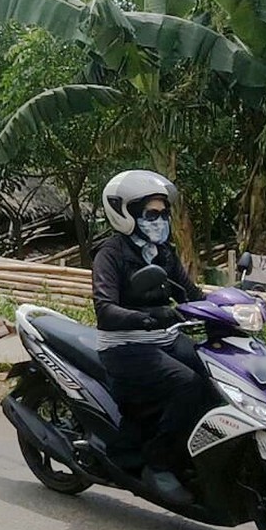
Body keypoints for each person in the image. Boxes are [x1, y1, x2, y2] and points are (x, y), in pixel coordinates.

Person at [91, 169, 210, 506]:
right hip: (124, 346)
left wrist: (232, 304)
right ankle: (158, 463)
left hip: (162, 339)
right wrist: (148, 317)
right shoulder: (110, 254)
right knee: (187, 384)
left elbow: (191, 294)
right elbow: (105, 310)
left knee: (213, 374)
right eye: (151, 214)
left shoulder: (163, 253)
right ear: (126, 213)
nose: (159, 221)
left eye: (163, 214)